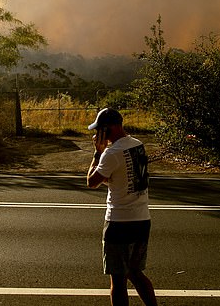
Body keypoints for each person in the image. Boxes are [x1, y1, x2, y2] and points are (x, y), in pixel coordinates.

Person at [86, 108, 157, 306]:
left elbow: (91, 182)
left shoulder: (111, 153)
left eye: (101, 129)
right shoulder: (138, 145)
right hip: (142, 219)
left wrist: (97, 153)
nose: (98, 133)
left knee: (118, 279)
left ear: (111, 127)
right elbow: (125, 176)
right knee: (135, 272)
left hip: (119, 222)